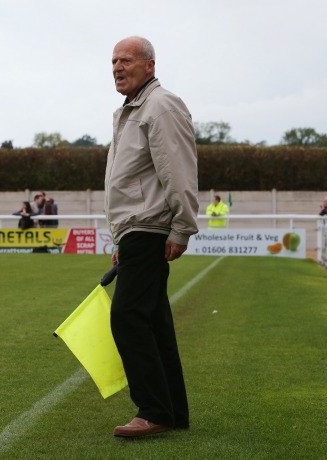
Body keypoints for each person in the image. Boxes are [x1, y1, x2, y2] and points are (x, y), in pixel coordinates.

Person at [105, 36, 198, 438]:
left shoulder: (161, 105)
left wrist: (181, 226)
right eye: (113, 62)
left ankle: (153, 409)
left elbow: (177, 169)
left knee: (127, 317)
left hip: (150, 226)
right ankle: (172, 410)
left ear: (150, 65)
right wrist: (122, 239)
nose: (117, 68)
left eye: (126, 60)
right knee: (154, 321)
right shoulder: (130, 110)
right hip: (136, 231)